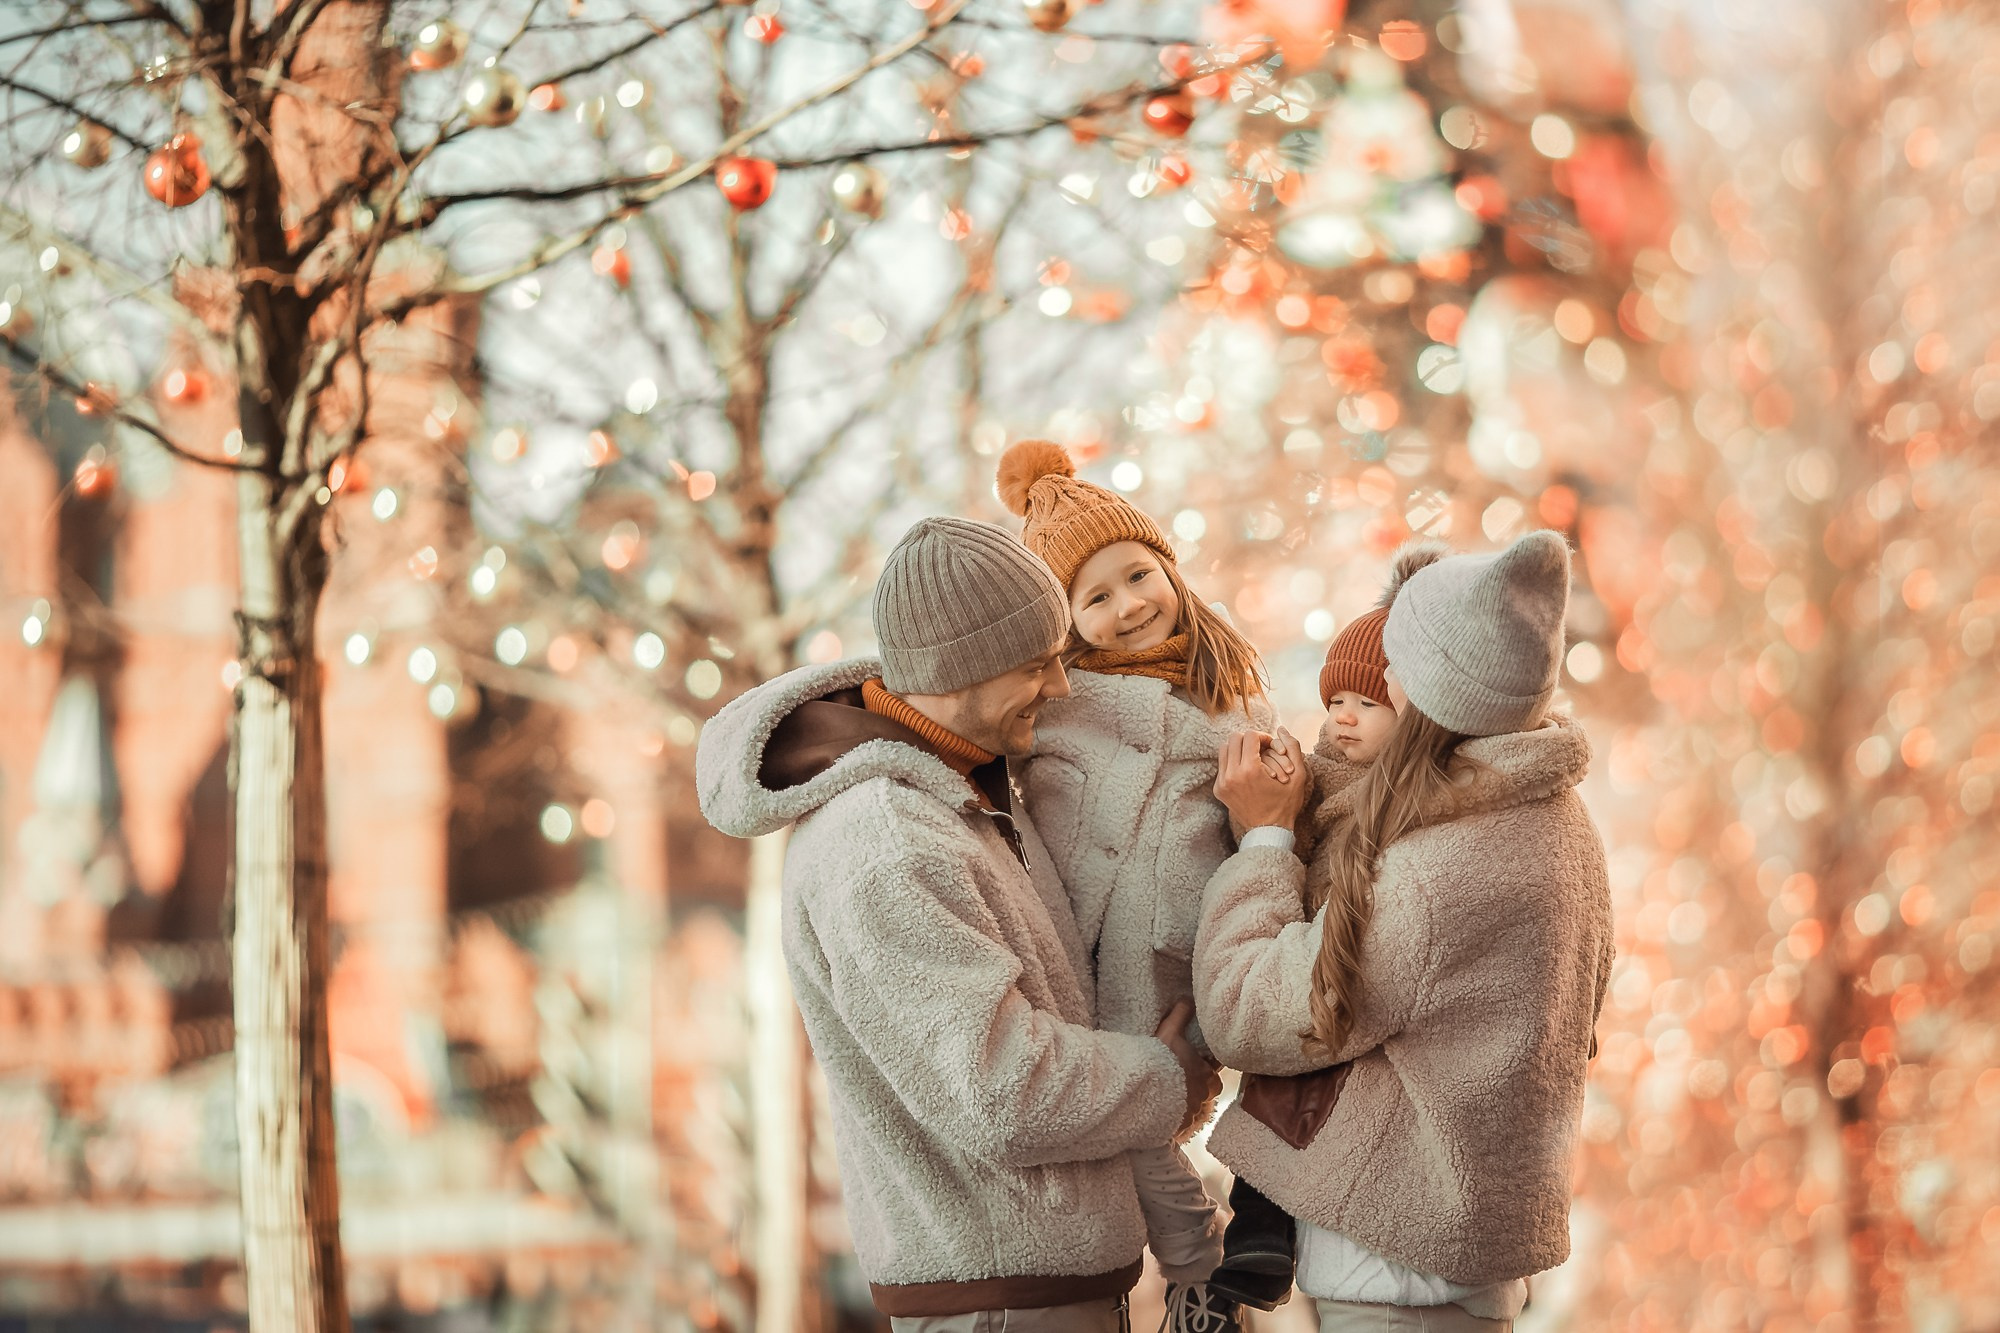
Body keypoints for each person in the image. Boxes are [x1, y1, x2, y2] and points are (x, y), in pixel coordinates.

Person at [697, 516, 1221, 1332]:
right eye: (1037, 664)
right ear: (963, 669)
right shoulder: (888, 838)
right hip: (1001, 1305)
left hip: (1033, 1291)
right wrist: (1165, 1076)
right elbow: (1000, 1087)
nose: (1061, 687)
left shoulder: (961, 794)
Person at [1193, 531, 1616, 1331]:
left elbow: (1249, 1011)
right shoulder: (1557, 819)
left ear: (1431, 690)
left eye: (1394, 663)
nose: (1377, 675)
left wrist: (1266, 839)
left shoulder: (1431, 875)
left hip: (1394, 1278)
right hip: (1455, 1265)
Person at [996, 441, 1277, 1333]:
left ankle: (1221, 1266)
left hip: (1194, 947)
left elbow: (1268, 814)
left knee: (1182, 1100)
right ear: (1069, 622)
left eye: (1138, 575)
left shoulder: (1231, 693)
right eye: (1097, 596)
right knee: (1136, 1121)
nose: (1128, 606)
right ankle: (1202, 1279)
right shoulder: (1061, 709)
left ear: (1170, 568)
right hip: (1087, 950)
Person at [1204, 541, 1445, 1314]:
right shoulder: (1325, 779)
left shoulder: (1418, 811)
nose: (1341, 716)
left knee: (1287, 1091)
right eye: (1334, 699)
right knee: (1270, 1093)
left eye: (1367, 703)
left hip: (1323, 990)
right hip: (1299, 965)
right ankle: (1256, 1229)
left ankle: (1261, 1229)